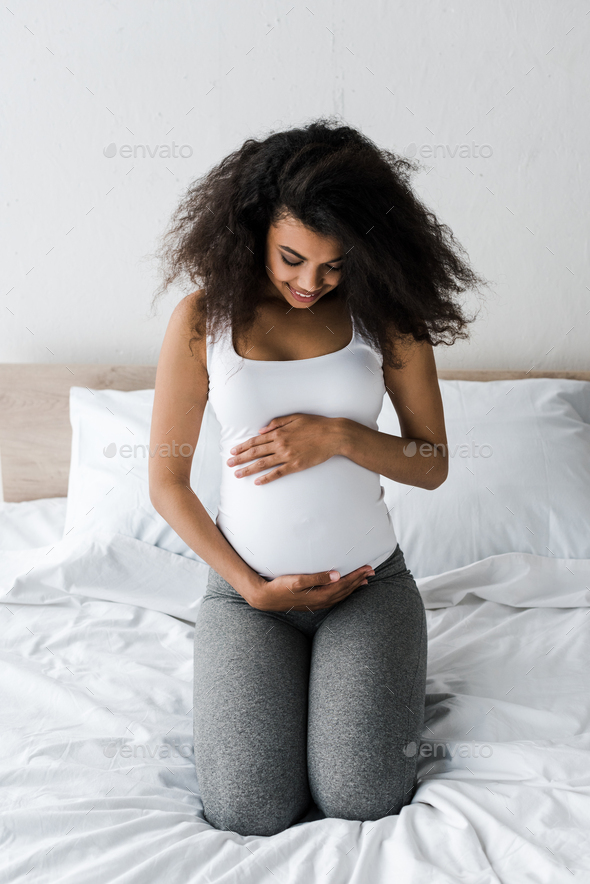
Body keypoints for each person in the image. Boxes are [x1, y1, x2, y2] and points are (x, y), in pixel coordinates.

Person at [148, 119, 488, 837]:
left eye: (334, 265)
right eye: (292, 259)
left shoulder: (386, 318)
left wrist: (339, 436)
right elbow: (167, 484)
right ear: (253, 231)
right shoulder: (200, 321)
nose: (311, 283)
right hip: (247, 598)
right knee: (246, 808)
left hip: (368, 591)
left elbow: (432, 465)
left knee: (361, 798)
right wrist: (250, 588)